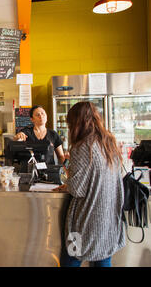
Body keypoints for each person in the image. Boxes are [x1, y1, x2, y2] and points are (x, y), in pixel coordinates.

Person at [53, 102, 125, 267]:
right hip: (108, 218)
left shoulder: (82, 147)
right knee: (103, 259)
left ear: (76, 122)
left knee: (70, 259)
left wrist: (69, 178)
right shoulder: (109, 142)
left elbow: (77, 189)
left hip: (84, 222)